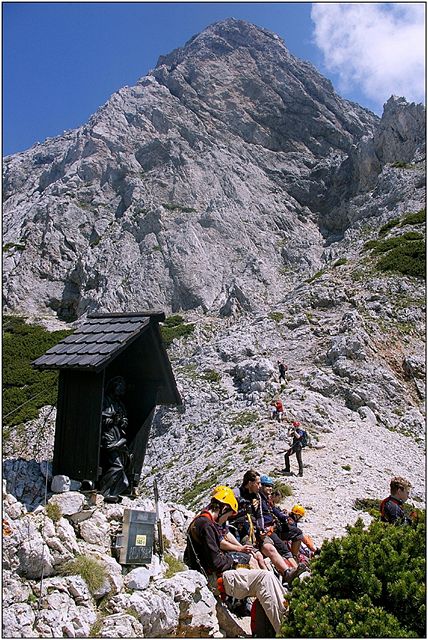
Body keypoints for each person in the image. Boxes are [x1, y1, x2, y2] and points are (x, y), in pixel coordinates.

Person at [184, 486, 287, 635]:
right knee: (265, 578)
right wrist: (233, 560)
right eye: (228, 515)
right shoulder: (206, 524)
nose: (227, 519)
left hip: (211, 575)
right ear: (224, 508)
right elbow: (215, 562)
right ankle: (285, 632)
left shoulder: (200, 522)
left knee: (265, 578)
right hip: (215, 579)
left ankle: (267, 630)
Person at [256, 475, 306, 584]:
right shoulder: (258, 500)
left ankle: (295, 559)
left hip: (275, 526)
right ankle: (295, 569)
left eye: (271, 486)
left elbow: (274, 511)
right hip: (268, 529)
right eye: (267, 486)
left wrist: (285, 517)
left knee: (297, 533)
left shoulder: (266, 500)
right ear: (261, 486)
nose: (269, 488)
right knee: (283, 548)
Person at [98, 376, 134, 502]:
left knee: (124, 463)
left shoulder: (119, 404)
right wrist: (113, 419)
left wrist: (122, 421)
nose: (122, 390)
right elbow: (103, 418)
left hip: (118, 435)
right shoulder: (106, 401)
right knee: (117, 464)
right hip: (109, 436)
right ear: (114, 387)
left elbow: (125, 420)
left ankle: (113, 491)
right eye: (121, 387)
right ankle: (105, 490)